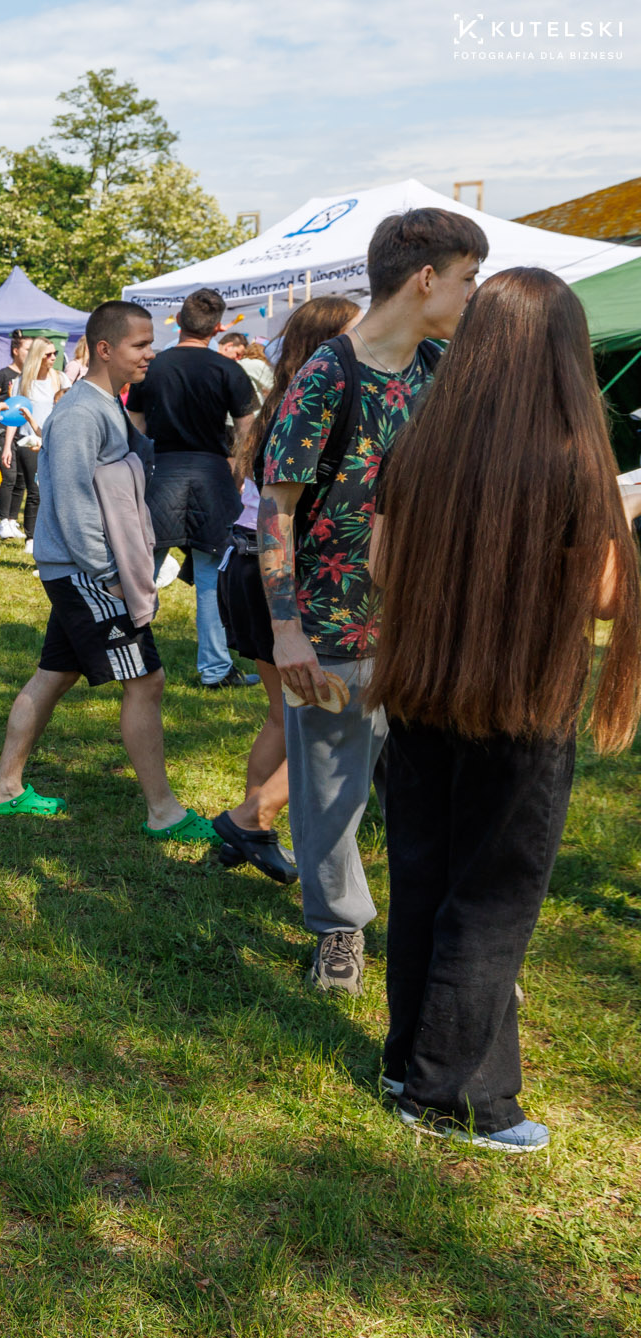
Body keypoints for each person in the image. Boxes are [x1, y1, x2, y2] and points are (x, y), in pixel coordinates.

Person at [369, 267, 641, 1152]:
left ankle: (408, 1062)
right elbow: (606, 597)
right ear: (565, 353)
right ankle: (457, 1098)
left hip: (421, 690)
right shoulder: (574, 460)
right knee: (491, 899)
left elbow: (380, 569)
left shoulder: (420, 445)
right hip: (521, 705)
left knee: (424, 878)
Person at [261, 208, 486, 995]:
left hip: (423, 625)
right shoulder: (330, 373)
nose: (472, 294)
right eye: (467, 278)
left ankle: (447, 936)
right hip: (332, 624)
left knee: (433, 787)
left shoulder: (442, 368)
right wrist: (286, 630)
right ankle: (338, 929)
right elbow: (276, 509)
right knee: (329, 793)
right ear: (426, 278)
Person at [0, 301, 221, 846]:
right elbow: (71, 502)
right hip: (87, 573)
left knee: (54, 674)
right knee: (147, 680)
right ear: (106, 349)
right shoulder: (80, 413)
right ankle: (163, 812)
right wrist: (109, 572)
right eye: (141, 344)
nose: (151, 353)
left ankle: (5, 788)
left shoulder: (106, 403)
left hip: (82, 571)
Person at [209, 297, 360, 884]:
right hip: (274, 572)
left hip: (247, 564)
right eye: (353, 333)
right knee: (322, 716)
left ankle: (249, 831)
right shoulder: (313, 403)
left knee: (285, 716)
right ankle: (253, 818)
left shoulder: (282, 401)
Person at [129, 287, 260, 689]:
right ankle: (215, 669)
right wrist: (239, 478)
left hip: (160, 474)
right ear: (218, 328)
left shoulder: (154, 366)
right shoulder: (228, 369)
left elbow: (134, 428)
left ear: (180, 321)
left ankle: (126, 657)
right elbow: (248, 434)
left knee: (141, 574)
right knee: (209, 580)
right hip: (211, 477)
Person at [5, 336, 68, 555]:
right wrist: (7, 446)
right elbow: (14, 417)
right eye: (48, 354)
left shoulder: (60, 379)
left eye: (55, 353)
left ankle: (52, 536)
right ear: (37, 356)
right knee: (35, 491)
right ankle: (31, 537)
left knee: (54, 492)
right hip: (29, 441)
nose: (53, 358)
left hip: (55, 441)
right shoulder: (23, 382)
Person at [0, 335, 31, 540]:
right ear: (16, 351)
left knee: (21, 478)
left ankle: (13, 520)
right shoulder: (3, 374)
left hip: (23, 433)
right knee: (9, 476)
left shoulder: (29, 377)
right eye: (27, 349)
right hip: (2, 430)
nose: (30, 354)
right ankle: (3, 521)